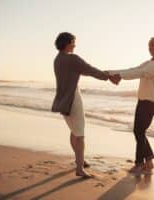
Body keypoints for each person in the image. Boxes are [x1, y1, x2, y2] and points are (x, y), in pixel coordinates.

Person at [51, 32, 111, 178]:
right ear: (67, 43)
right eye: (73, 42)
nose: (75, 45)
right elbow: (89, 70)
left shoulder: (57, 59)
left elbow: (81, 70)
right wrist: (108, 77)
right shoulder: (72, 59)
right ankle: (79, 168)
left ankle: (80, 161)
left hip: (62, 100)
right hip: (73, 99)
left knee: (74, 131)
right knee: (80, 135)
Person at [109, 37, 154, 174]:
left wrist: (119, 75)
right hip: (142, 101)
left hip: (150, 103)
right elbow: (134, 69)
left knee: (139, 132)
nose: (150, 49)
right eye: (149, 46)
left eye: (153, 46)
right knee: (139, 132)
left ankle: (140, 163)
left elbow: (139, 73)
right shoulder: (149, 62)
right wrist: (112, 72)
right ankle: (147, 161)